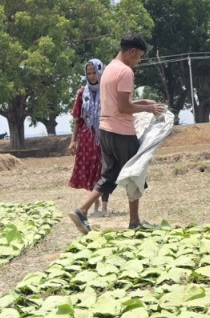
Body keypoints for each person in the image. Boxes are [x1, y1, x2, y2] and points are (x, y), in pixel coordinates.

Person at [68, 34, 166, 234]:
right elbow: (123, 107)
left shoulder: (109, 70)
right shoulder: (125, 72)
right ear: (132, 52)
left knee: (110, 175)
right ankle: (134, 221)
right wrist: (148, 109)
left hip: (105, 131)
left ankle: (81, 210)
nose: (138, 61)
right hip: (122, 132)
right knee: (135, 173)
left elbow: (116, 103)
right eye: (138, 56)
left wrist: (143, 102)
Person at [69, 59, 108, 216]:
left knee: (104, 170)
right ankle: (94, 202)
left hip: (104, 135)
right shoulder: (82, 93)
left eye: (94, 72)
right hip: (87, 138)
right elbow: (78, 119)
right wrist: (73, 140)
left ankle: (104, 205)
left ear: (100, 72)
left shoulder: (107, 90)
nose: (92, 76)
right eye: (89, 73)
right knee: (89, 170)